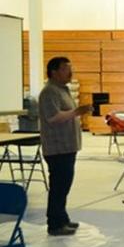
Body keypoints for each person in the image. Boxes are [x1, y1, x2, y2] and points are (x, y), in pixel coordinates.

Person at [38, 56, 93, 236]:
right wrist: (78, 111)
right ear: (54, 72)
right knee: (59, 186)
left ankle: (62, 218)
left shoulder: (63, 90)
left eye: (71, 69)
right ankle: (54, 224)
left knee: (64, 185)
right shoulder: (49, 92)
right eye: (65, 69)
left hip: (67, 146)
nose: (70, 73)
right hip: (57, 148)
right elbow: (53, 117)